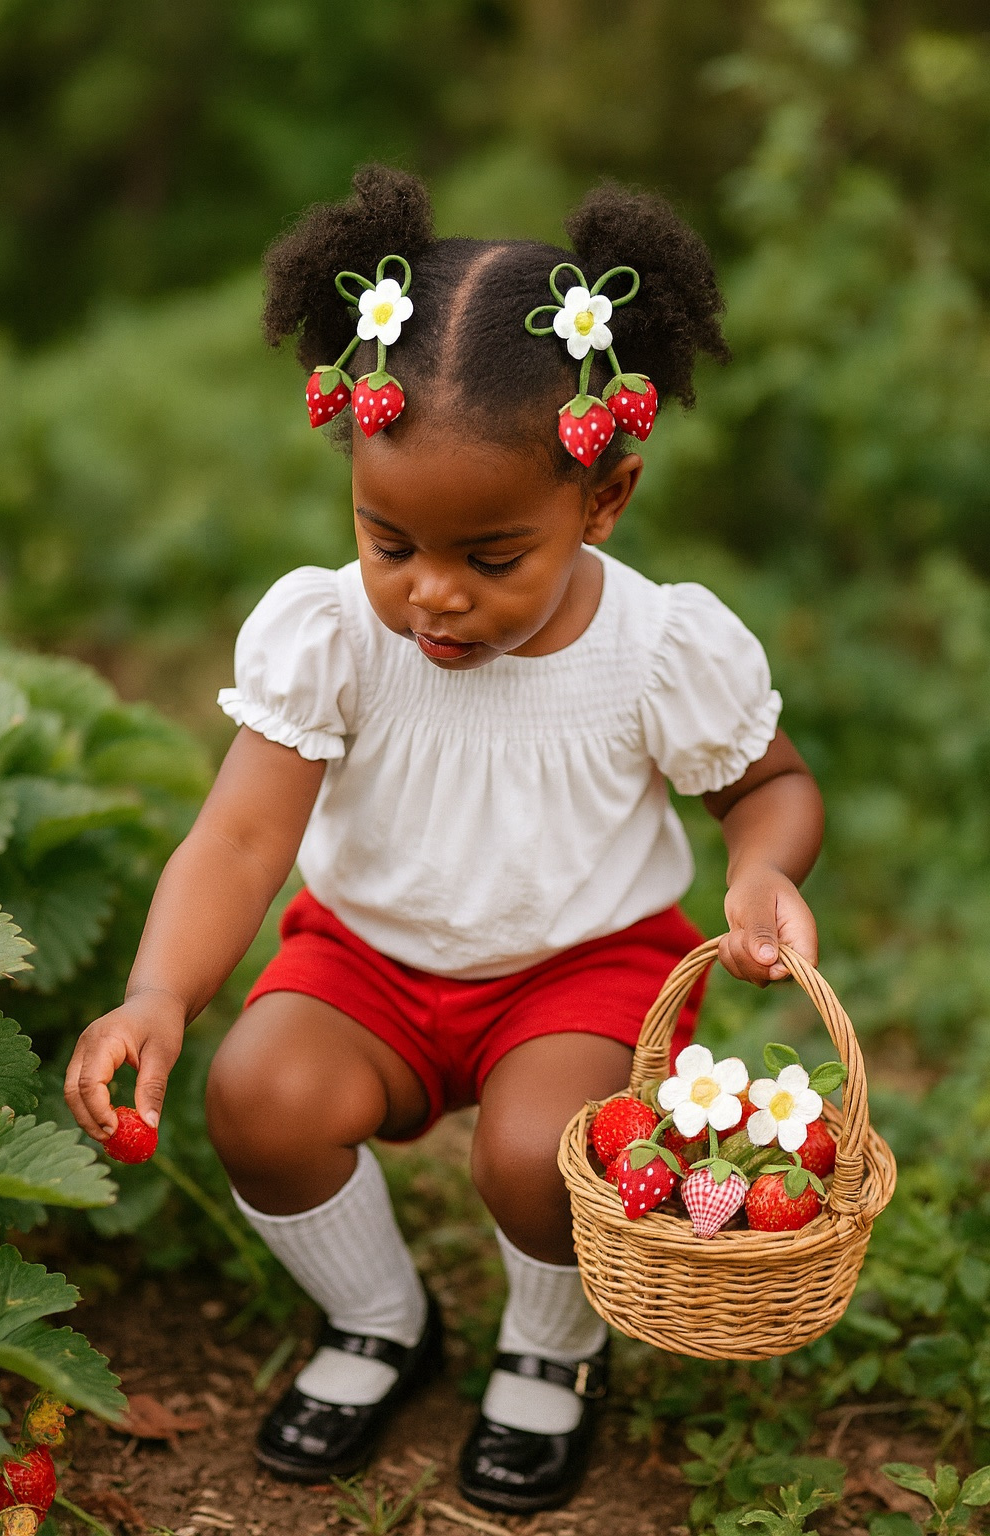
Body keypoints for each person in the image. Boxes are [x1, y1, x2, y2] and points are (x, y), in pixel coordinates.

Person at [64, 166, 824, 1516]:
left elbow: (768, 785)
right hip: (369, 962)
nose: (431, 593)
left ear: (605, 501)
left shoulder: (655, 649)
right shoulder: (336, 634)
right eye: (389, 537)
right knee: (259, 1096)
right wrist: (158, 992)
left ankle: (552, 1347)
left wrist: (762, 867)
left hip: (580, 973)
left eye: (492, 555)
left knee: (542, 1154)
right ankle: (379, 1320)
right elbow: (242, 837)